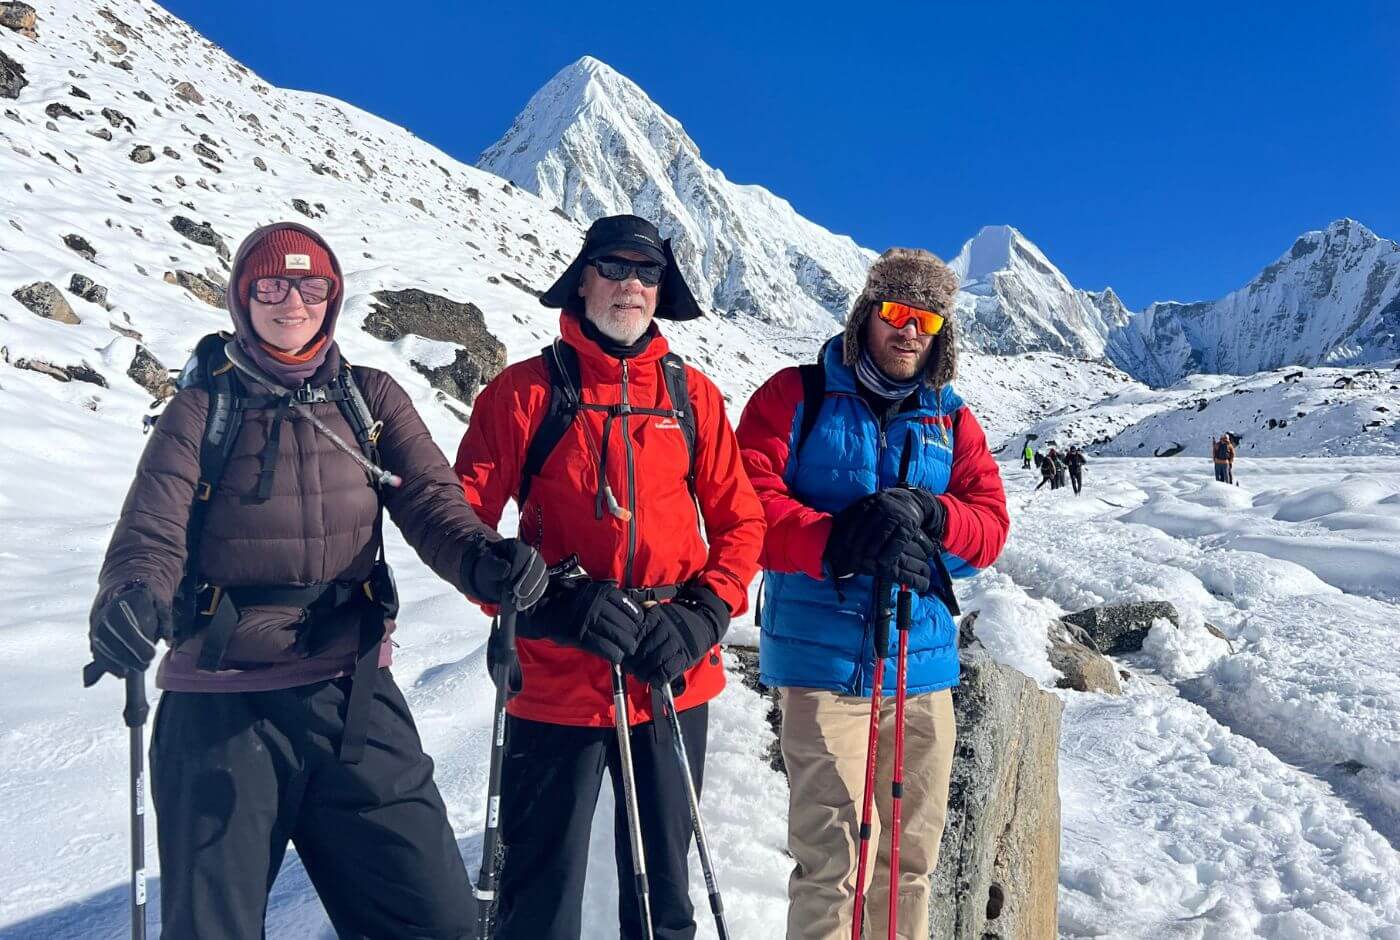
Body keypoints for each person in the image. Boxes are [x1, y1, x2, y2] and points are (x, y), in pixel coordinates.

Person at [86, 222, 547, 939]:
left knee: (438, 920)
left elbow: (432, 504)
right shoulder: (202, 408)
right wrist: (131, 599)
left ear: (332, 298)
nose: (290, 301)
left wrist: (486, 558)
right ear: (242, 298)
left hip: (350, 694)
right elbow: (153, 530)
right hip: (219, 706)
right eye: (269, 285)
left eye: (310, 285)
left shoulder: (370, 399)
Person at [454, 214, 765, 940]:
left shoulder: (693, 397)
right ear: (584, 277)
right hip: (557, 677)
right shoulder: (524, 393)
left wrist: (705, 616)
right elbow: (460, 528)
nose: (632, 284)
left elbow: (743, 524)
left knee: (664, 901)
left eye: (648, 272)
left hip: (671, 673)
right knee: (537, 898)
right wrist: (547, 608)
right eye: (616, 268)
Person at [736, 248, 1009, 940]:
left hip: (922, 671)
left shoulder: (951, 420)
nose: (909, 330)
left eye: (926, 318)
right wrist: (836, 538)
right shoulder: (795, 395)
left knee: (909, 863)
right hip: (823, 669)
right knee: (832, 866)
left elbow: (990, 527)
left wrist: (935, 521)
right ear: (867, 315)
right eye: (895, 312)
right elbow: (743, 503)